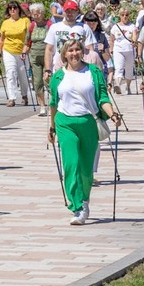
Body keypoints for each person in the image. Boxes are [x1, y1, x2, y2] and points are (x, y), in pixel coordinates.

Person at [46, 38, 117, 225]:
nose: (74, 53)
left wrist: (113, 114)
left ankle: (84, 200)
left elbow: (102, 97)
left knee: (86, 169)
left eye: (77, 49)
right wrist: (52, 127)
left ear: (82, 52)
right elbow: (53, 103)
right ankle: (76, 206)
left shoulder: (92, 72)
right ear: (64, 54)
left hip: (88, 122)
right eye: (70, 51)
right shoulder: (58, 76)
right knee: (71, 164)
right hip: (65, 122)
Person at [0, 2, 34, 106]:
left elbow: (29, 37)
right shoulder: (5, 23)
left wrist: (27, 48)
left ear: (19, 9)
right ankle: (11, 98)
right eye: (10, 8)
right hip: (8, 50)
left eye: (14, 7)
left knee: (23, 74)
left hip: (22, 51)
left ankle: (24, 95)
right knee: (11, 73)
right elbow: (2, 39)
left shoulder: (25, 21)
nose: (12, 10)